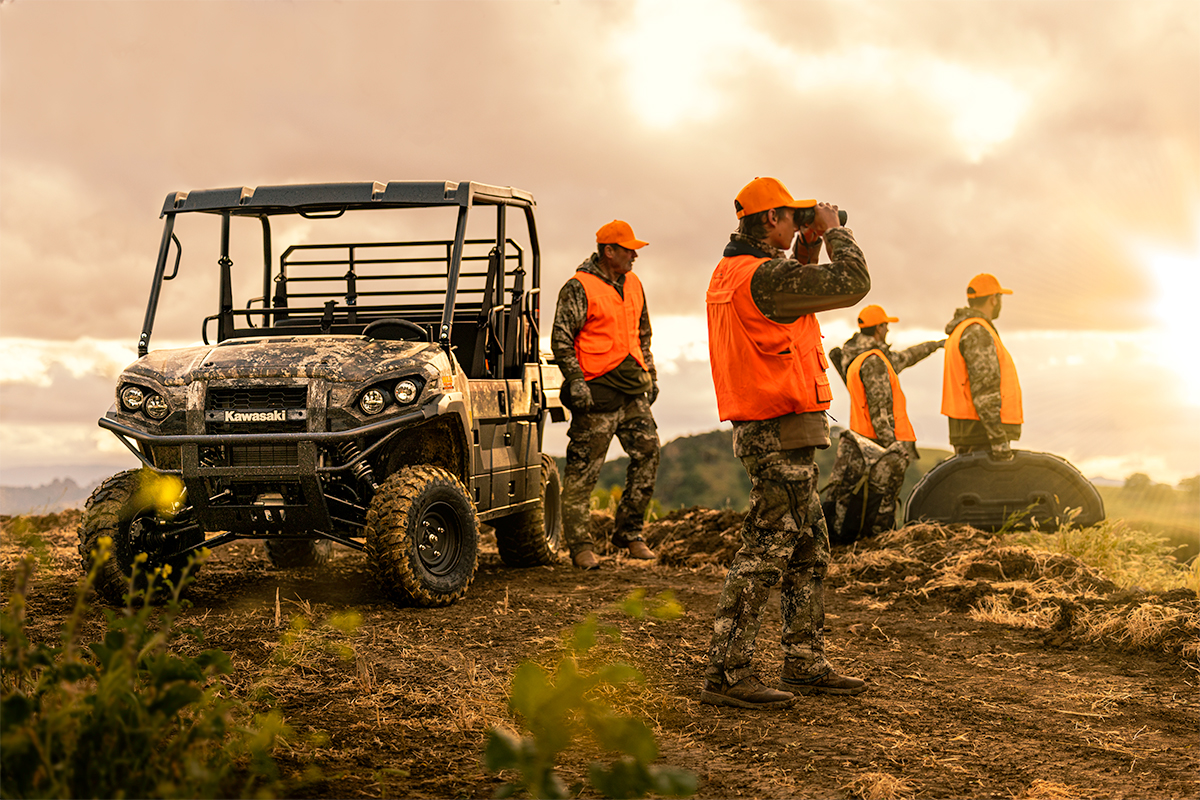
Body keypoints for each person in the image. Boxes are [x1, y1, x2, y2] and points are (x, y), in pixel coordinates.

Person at [701, 177, 870, 709]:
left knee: (808, 547)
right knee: (766, 548)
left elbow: (792, 294)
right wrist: (835, 231)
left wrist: (809, 244)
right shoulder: (766, 276)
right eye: (792, 216)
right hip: (778, 429)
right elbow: (852, 282)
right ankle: (727, 673)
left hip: (772, 426)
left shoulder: (736, 270)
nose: (800, 222)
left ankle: (804, 661)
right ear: (769, 219)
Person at [551, 220, 661, 571]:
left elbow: (643, 333)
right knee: (583, 473)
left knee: (648, 453)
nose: (634, 256)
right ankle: (580, 547)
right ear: (608, 251)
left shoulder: (634, 284)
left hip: (634, 389)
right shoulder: (578, 287)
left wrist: (651, 374)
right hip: (596, 393)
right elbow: (561, 339)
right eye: (628, 250)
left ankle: (629, 534)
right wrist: (576, 382)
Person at [822, 305, 944, 543]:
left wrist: (933, 345)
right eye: (886, 325)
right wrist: (893, 448)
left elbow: (905, 357)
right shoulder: (874, 361)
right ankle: (879, 543)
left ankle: (853, 539)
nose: (888, 329)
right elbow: (880, 411)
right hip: (879, 443)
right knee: (881, 501)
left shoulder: (855, 357)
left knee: (858, 497)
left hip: (862, 438)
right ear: (879, 329)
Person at [941, 273, 1023, 458]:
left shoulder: (961, 330)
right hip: (981, 435)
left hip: (970, 432)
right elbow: (985, 391)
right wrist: (999, 441)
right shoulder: (978, 332)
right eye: (1000, 297)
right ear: (994, 300)